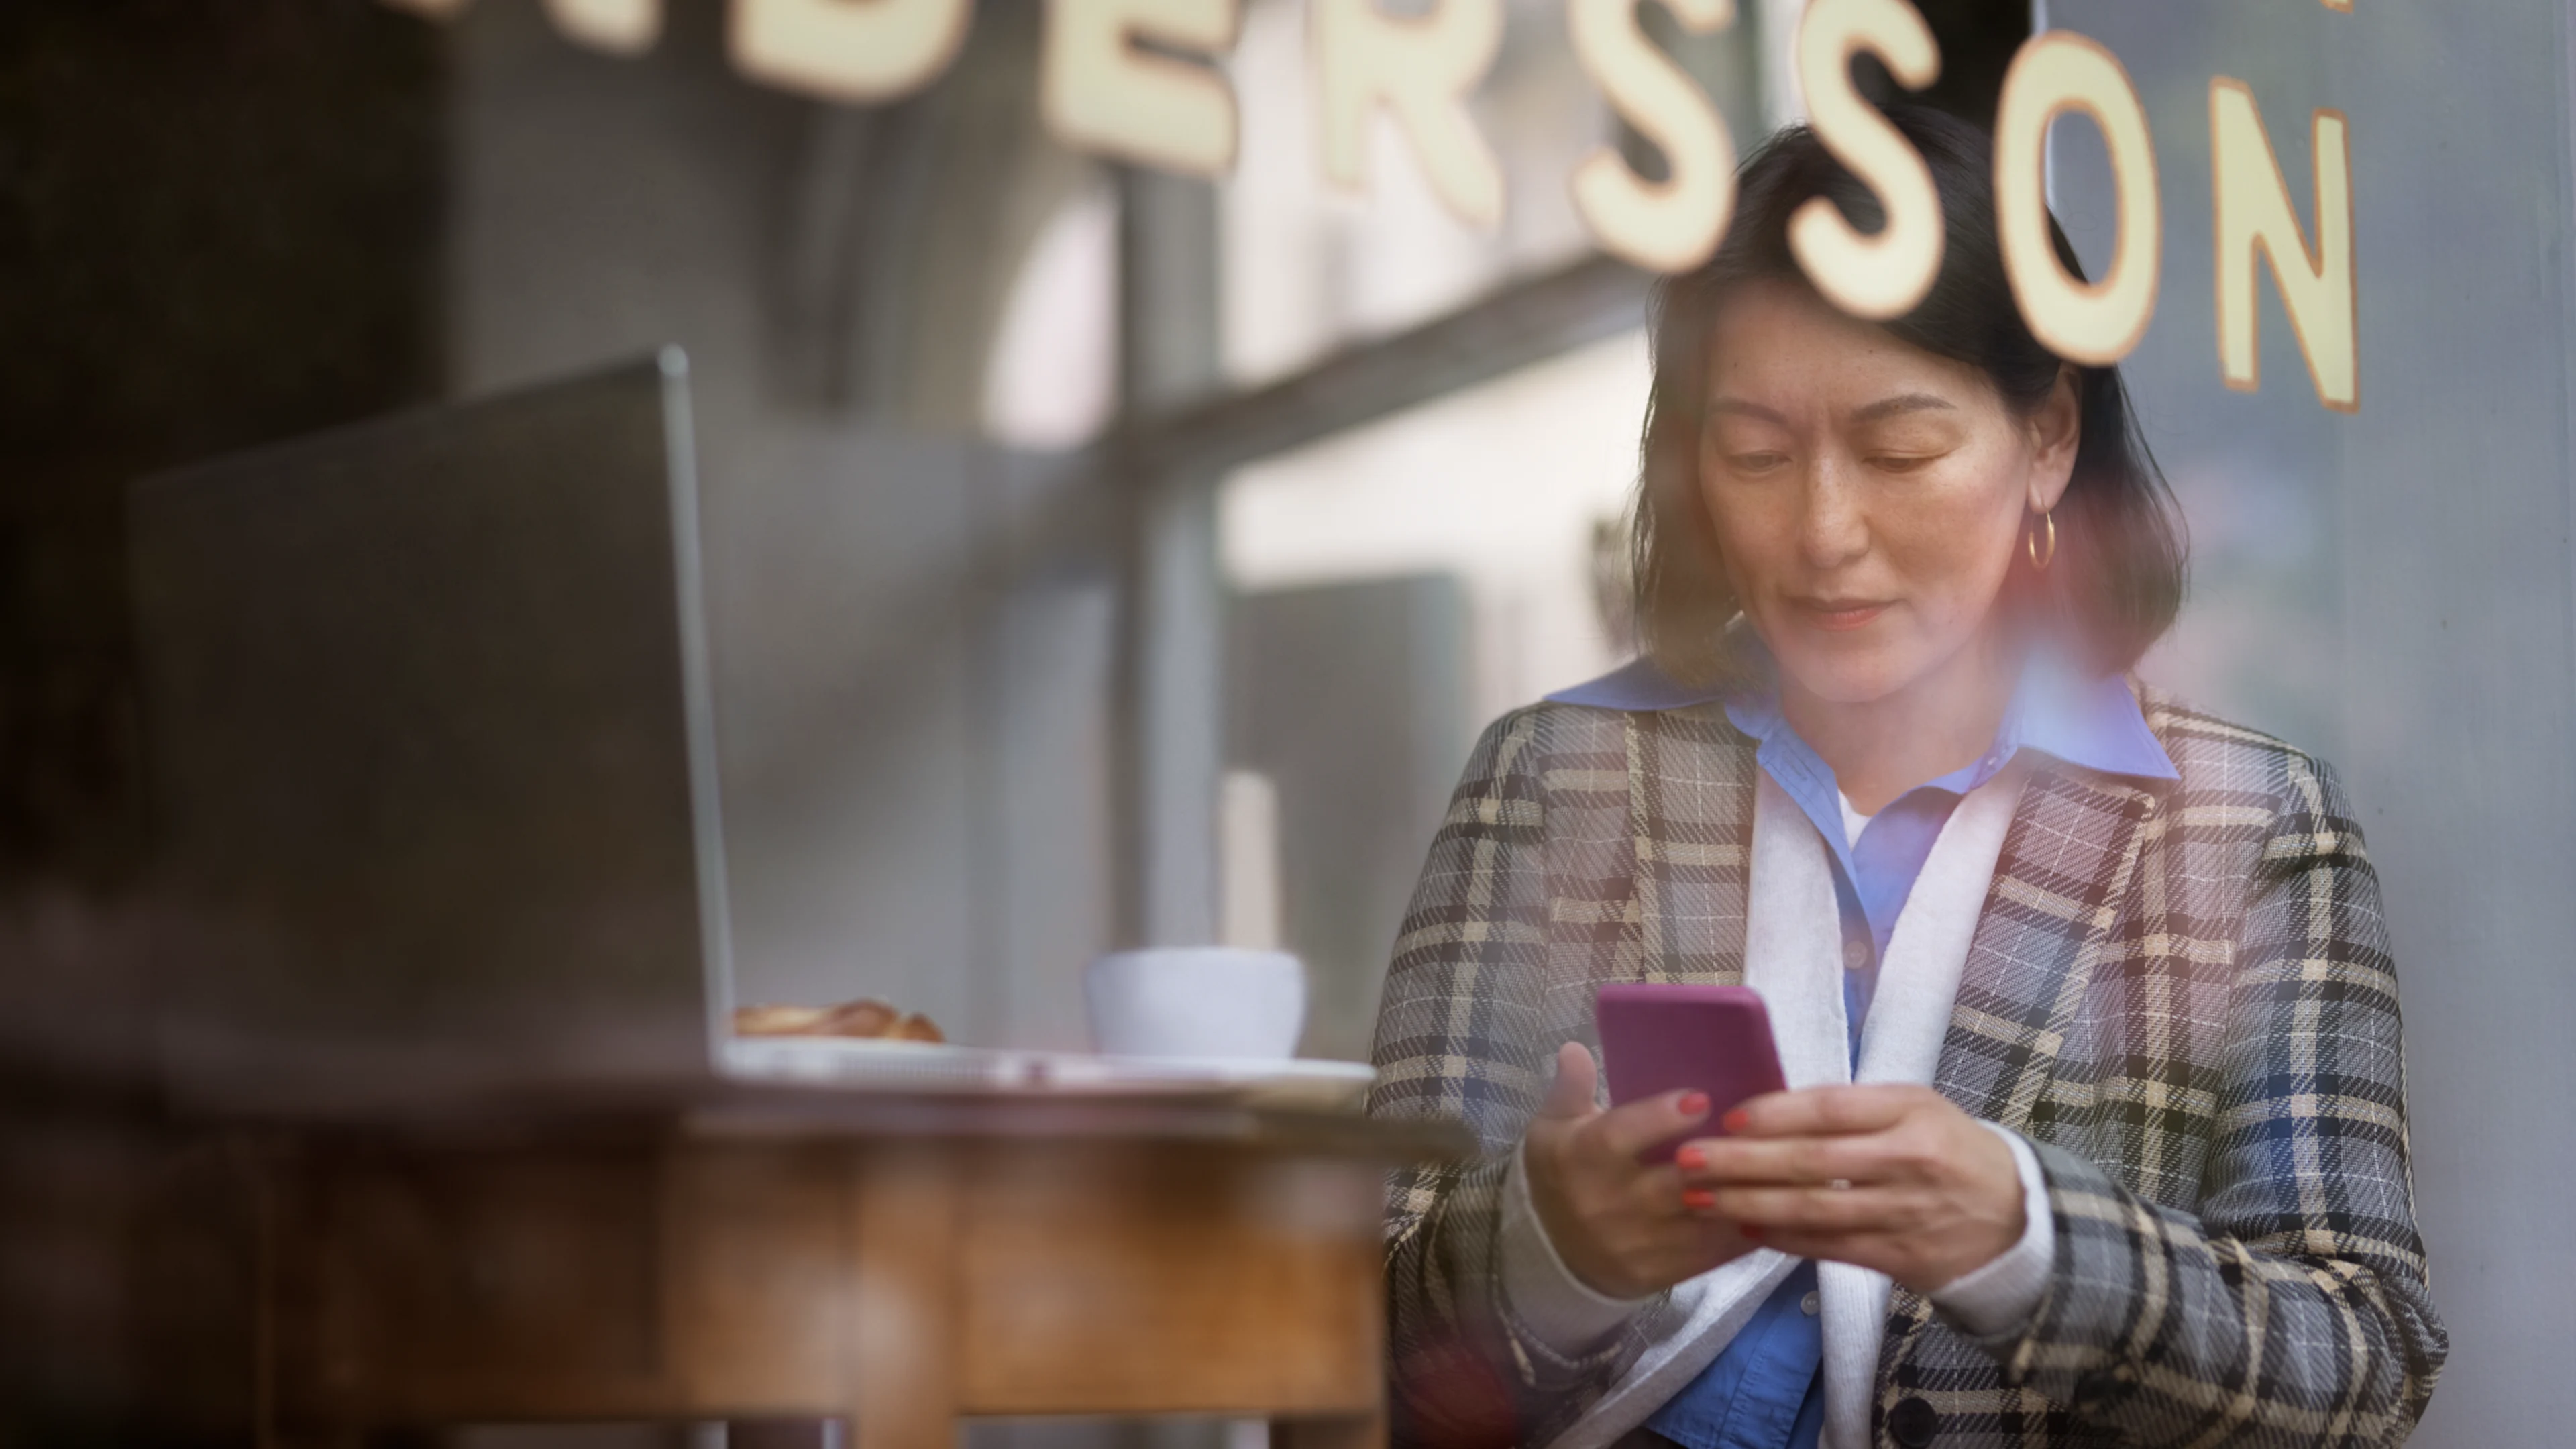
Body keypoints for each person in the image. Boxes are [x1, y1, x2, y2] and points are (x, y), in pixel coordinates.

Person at [1365, 108, 2446, 1449]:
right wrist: (1549, 1254)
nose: (1823, 531)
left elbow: (2365, 1367)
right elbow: (1357, 1335)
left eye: (1901, 452)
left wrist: (2031, 1240)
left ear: (2048, 438)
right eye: (1756, 456)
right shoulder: (1555, 783)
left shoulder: (2242, 828)